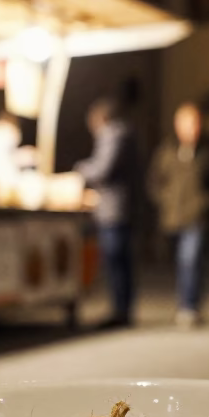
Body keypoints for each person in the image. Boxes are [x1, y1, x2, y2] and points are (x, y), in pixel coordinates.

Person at [147, 102, 209, 327]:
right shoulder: (167, 150)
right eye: (189, 123)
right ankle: (187, 301)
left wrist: (204, 204)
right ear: (178, 125)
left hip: (196, 217)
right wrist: (164, 201)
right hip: (172, 217)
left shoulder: (208, 153)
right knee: (181, 261)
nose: (193, 128)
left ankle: (189, 306)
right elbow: (154, 181)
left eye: (196, 123)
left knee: (190, 258)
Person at [76, 97, 138, 328]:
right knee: (122, 261)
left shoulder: (112, 134)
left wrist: (80, 170)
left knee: (115, 260)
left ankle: (120, 310)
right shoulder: (126, 134)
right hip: (124, 207)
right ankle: (124, 308)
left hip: (113, 209)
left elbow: (103, 168)